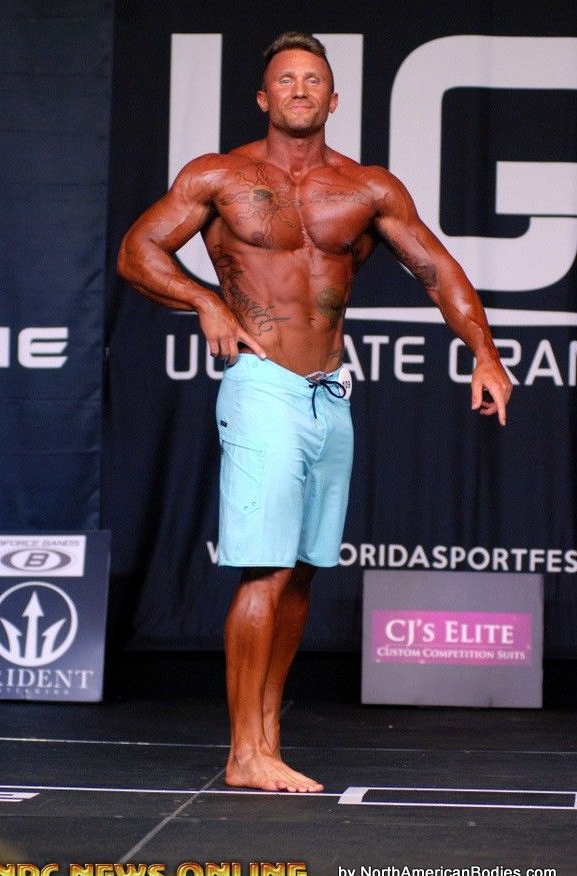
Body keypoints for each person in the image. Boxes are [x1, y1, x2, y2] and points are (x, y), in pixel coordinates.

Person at [117, 32, 512, 793]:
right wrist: (204, 301)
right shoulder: (218, 175)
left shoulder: (368, 189)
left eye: (312, 80)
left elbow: (437, 269)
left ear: (333, 99)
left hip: (330, 392)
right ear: (263, 97)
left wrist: (485, 353)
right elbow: (139, 252)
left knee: (300, 572)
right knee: (266, 567)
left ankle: (266, 738)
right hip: (262, 382)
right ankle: (243, 751)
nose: (299, 90)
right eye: (285, 79)